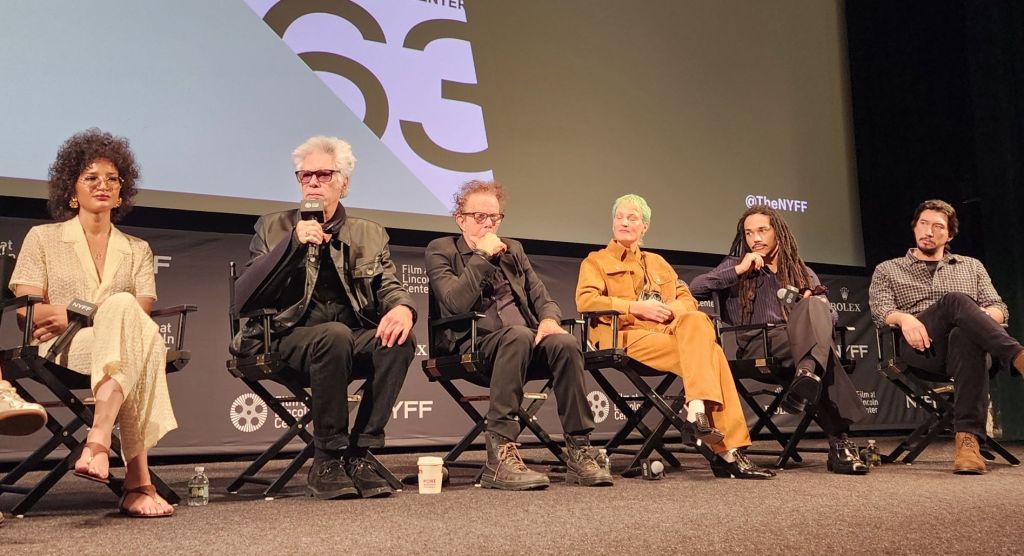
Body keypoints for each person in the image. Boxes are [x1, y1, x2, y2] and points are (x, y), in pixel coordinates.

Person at [232, 135, 415, 499]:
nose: (313, 182)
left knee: (399, 341)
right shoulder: (272, 227)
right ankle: (327, 457)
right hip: (281, 339)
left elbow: (388, 284)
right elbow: (243, 298)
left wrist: (402, 308)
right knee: (334, 333)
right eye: (305, 176)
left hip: (344, 343)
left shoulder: (369, 233)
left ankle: (360, 453)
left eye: (323, 175)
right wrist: (292, 244)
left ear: (343, 183)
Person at [9, 129, 176, 517]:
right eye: (91, 177)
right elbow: (27, 311)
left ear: (122, 193)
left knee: (131, 329)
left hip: (120, 339)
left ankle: (99, 440)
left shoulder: (138, 249)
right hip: (64, 347)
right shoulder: (43, 238)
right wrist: (81, 314)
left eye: (112, 179)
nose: (103, 185)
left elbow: (140, 311)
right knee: (135, 335)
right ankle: (137, 482)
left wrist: (67, 309)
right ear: (72, 190)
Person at [425, 180, 613, 490]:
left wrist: (550, 320)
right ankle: (499, 456)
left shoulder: (513, 250)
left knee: (564, 342)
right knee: (518, 335)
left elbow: (542, 297)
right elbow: (454, 302)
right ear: (460, 219)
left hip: (522, 344)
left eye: (495, 218)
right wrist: (482, 257)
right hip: (471, 347)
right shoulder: (441, 250)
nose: (489, 224)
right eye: (479, 217)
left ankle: (580, 451)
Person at [576, 194, 775, 479]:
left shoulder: (658, 263)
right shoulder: (596, 261)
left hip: (664, 333)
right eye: (619, 216)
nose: (624, 222)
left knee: (697, 322)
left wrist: (668, 311)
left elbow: (687, 299)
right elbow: (586, 302)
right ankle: (728, 452)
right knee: (712, 353)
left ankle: (697, 410)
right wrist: (635, 307)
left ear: (644, 226)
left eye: (632, 218)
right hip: (623, 336)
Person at [689, 205, 870, 475]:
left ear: (779, 233)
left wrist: (814, 302)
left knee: (816, 311)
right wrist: (739, 269)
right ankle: (839, 442)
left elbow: (831, 317)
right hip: (759, 343)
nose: (755, 238)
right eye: (749, 233)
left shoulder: (801, 271)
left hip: (798, 342)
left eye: (762, 230)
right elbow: (696, 287)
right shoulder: (735, 265)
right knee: (823, 352)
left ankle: (806, 373)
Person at [869, 199, 1024, 474]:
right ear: (915, 227)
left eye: (938, 226)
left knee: (965, 333)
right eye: (924, 224)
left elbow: (1000, 309)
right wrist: (905, 318)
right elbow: (881, 310)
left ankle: (967, 444)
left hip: (971, 352)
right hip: (920, 349)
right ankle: (1017, 356)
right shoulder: (888, 269)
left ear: (949, 235)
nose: (928, 231)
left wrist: (980, 320)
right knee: (954, 301)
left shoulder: (971, 266)